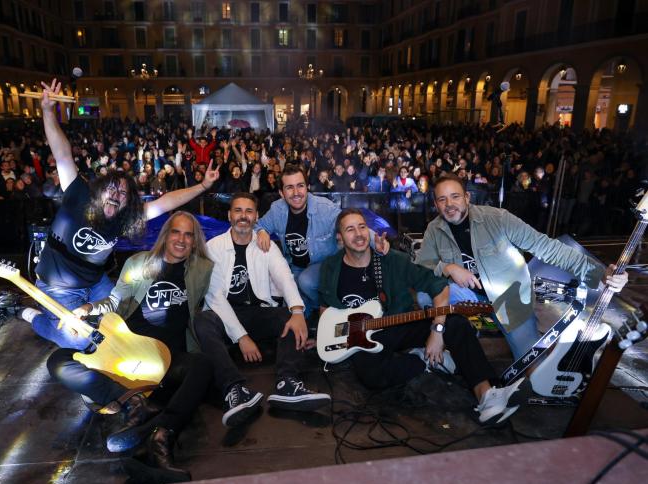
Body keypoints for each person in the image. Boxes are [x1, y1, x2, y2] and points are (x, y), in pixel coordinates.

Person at [19, 79, 220, 349]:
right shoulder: (79, 195)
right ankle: (32, 316)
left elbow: (166, 202)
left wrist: (203, 186)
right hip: (57, 286)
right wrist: (47, 111)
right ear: (99, 190)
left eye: (123, 193)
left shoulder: (125, 218)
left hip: (94, 282)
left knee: (122, 322)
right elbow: (63, 154)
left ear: (128, 202)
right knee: (79, 340)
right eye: (111, 189)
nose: (116, 195)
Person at [319, 208, 527, 425]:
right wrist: (324, 336)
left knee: (456, 323)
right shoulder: (331, 267)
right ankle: (424, 360)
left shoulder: (392, 260)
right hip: (361, 337)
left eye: (362, 227)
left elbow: (439, 287)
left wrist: (437, 330)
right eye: (350, 229)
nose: (358, 234)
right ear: (340, 237)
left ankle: (487, 395)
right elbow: (326, 307)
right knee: (371, 375)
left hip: (398, 322)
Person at [53, 212, 214, 482]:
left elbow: (223, 283)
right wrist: (88, 308)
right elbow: (114, 301)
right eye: (176, 232)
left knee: (202, 365)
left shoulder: (202, 269)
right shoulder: (138, 263)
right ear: (166, 235)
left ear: (195, 241)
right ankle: (134, 402)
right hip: (126, 353)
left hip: (167, 358)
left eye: (189, 235)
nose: (181, 240)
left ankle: (162, 435)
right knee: (59, 360)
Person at [415, 173, 628, 359]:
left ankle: (497, 332)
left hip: (508, 302)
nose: (449, 204)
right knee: (425, 295)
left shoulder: (498, 219)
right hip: (469, 300)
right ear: (436, 204)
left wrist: (601, 273)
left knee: (531, 367)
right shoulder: (434, 229)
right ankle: (461, 332)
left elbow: (548, 248)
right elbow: (421, 267)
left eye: (455, 196)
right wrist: (448, 268)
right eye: (442, 199)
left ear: (467, 197)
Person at [194, 193, 330, 428]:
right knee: (203, 321)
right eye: (238, 210)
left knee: (290, 317)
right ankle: (235, 390)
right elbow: (215, 297)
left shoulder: (265, 244)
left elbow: (285, 277)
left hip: (257, 312)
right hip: (225, 314)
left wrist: (298, 311)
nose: (243, 216)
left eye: (249, 211)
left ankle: (287, 384)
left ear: (256, 217)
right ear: (229, 215)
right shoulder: (213, 247)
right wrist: (242, 337)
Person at [254, 165, 389, 317]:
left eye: (300, 186)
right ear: (281, 193)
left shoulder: (324, 208)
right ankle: (312, 306)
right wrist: (261, 231)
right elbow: (259, 225)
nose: (296, 192)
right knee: (292, 314)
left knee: (306, 281)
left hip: (325, 264)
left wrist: (376, 243)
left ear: (307, 187)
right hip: (295, 267)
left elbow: (348, 222)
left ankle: (330, 309)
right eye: (290, 188)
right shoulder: (277, 209)